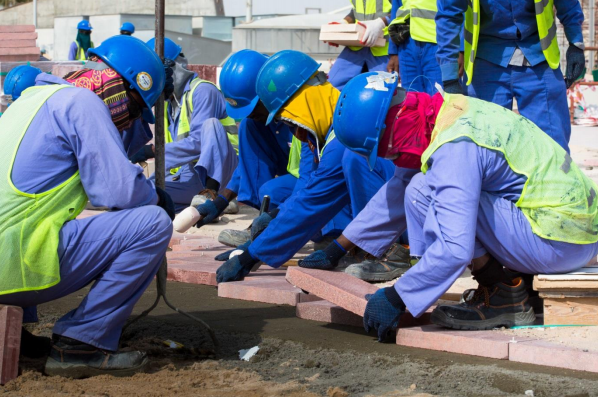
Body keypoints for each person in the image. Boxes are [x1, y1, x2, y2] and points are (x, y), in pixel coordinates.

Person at [331, 73, 598, 342]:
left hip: (560, 242)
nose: (392, 158)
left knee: (430, 192)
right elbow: (401, 186)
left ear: (391, 127)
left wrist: (398, 296)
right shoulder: (449, 111)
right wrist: (340, 246)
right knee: (420, 187)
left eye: (386, 151)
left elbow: (454, 248)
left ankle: (502, 295)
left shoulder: (455, 146)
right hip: (569, 231)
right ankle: (511, 283)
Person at [0, 35, 175, 378]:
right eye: (135, 108)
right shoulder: (82, 103)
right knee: (152, 223)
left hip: (6, 254)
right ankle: (81, 344)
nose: (130, 120)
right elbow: (119, 192)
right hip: (11, 265)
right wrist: (155, 197)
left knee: (36, 219)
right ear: (120, 86)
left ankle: (15, 332)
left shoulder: (31, 100)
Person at [214, 50, 395, 284]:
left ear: (303, 101)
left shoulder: (345, 136)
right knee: (287, 194)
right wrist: (258, 244)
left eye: (290, 120)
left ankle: (392, 250)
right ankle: (358, 242)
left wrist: (251, 255)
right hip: (405, 205)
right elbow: (309, 190)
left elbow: (312, 201)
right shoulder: (334, 122)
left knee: (350, 162)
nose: (296, 134)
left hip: (416, 216)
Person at [190, 50, 314, 247]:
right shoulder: (262, 121)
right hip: (301, 181)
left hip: (318, 184)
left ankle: (323, 231)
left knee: (272, 192)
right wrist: (221, 201)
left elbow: (312, 180)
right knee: (250, 127)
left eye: (252, 108)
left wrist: (270, 231)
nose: (251, 115)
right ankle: (262, 222)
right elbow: (250, 163)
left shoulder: (303, 118)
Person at [436, 0, 585, 152]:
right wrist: (450, 77)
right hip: (486, 59)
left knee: (553, 147)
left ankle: (555, 177)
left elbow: (568, 3)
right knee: (485, 146)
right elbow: (448, 14)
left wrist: (576, 44)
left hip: (538, 57)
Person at [139, 38, 239, 212]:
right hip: (191, 172)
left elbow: (199, 143)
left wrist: (152, 151)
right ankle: (204, 207)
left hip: (225, 172)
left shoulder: (203, 91)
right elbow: (175, 152)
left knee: (211, 125)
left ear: (172, 68)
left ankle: (216, 194)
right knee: (144, 191)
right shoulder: (169, 105)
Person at [327, 0, 392, 90]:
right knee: (331, 86)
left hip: (383, 47)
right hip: (357, 46)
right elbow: (356, 11)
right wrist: (345, 22)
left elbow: (402, 10)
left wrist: (382, 22)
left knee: (381, 92)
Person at [386, 0, 442, 95]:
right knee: (411, 99)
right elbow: (396, 12)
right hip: (406, 44)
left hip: (436, 42)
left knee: (438, 97)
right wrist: (393, 52)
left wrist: (460, 49)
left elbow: (456, 10)